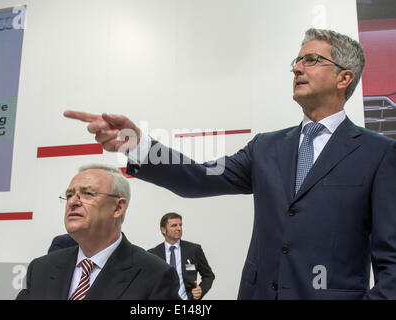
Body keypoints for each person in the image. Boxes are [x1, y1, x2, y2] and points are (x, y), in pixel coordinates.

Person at [63, 28, 396, 299]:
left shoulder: (379, 154)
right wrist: (138, 145)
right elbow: (198, 177)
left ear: (344, 78)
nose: (296, 68)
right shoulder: (266, 147)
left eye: (311, 60)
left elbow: (391, 263)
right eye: (296, 60)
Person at [17, 164, 181, 300]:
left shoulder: (155, 275)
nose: (73, 202)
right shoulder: (41, 269)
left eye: (87, 193)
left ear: (118, 207)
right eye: (69, 195)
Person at [148, 212, 215, 300]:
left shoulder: (194, 250)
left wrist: (201, 290)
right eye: (174, 225)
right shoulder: (153, 254)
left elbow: (208, 276)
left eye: (180, 225)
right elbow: (147, 282)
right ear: (163, 230)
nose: (179, 228)